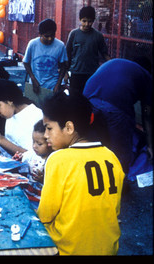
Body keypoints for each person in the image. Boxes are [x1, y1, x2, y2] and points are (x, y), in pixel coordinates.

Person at [38, 91, 124, 255]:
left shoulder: (59, 159)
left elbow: (45, 214)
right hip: (108, 249)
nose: (46, 135)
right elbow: (115, 209)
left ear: (69, 127)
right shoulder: (111, 156)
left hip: (69, 250)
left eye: (49, 128)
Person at [83, 58, 152, 177]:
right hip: (114, 105)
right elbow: (148, 115)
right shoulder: (147, 77)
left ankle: (91, 176)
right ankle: (119, 180)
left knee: (95, 142)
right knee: (121, 149)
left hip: (87, 101)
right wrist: (151, 145)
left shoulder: (118, 63)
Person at [0, 79, 43, 156]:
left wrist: (0, 139)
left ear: (9, 101)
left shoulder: (35, 116)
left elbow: (33, 156)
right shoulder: (11, 113)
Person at [66, 6, 110, 94]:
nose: (87, 24)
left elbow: (105, 54)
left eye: (90, 21)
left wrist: (113, 64)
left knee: (89, 98)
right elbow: (67, 54)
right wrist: (65, 73)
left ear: (93, 20)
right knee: (74, 98)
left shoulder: (98, 36)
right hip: (76, 73)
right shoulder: (73, 34)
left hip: (92, 74)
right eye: (84, 21)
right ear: (80, 19)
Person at [23, 19, 68, 96]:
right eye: (46, 36)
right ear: (40, 34)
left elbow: (64, 65)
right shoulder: (32, 44)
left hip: (53, 86)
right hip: (36, 85)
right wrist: (33, 79)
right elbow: (26, 62)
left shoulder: (60, 46)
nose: (50, 39)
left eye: (52, 35)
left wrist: (58, 84)